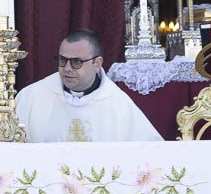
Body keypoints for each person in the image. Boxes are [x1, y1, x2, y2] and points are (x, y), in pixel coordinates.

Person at [15, 28, 162, 142]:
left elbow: (150, 153)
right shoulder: (31, 97)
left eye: (76, 62)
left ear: (97, 64)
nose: (67, 68)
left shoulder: (119, 104)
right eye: (62, 60)